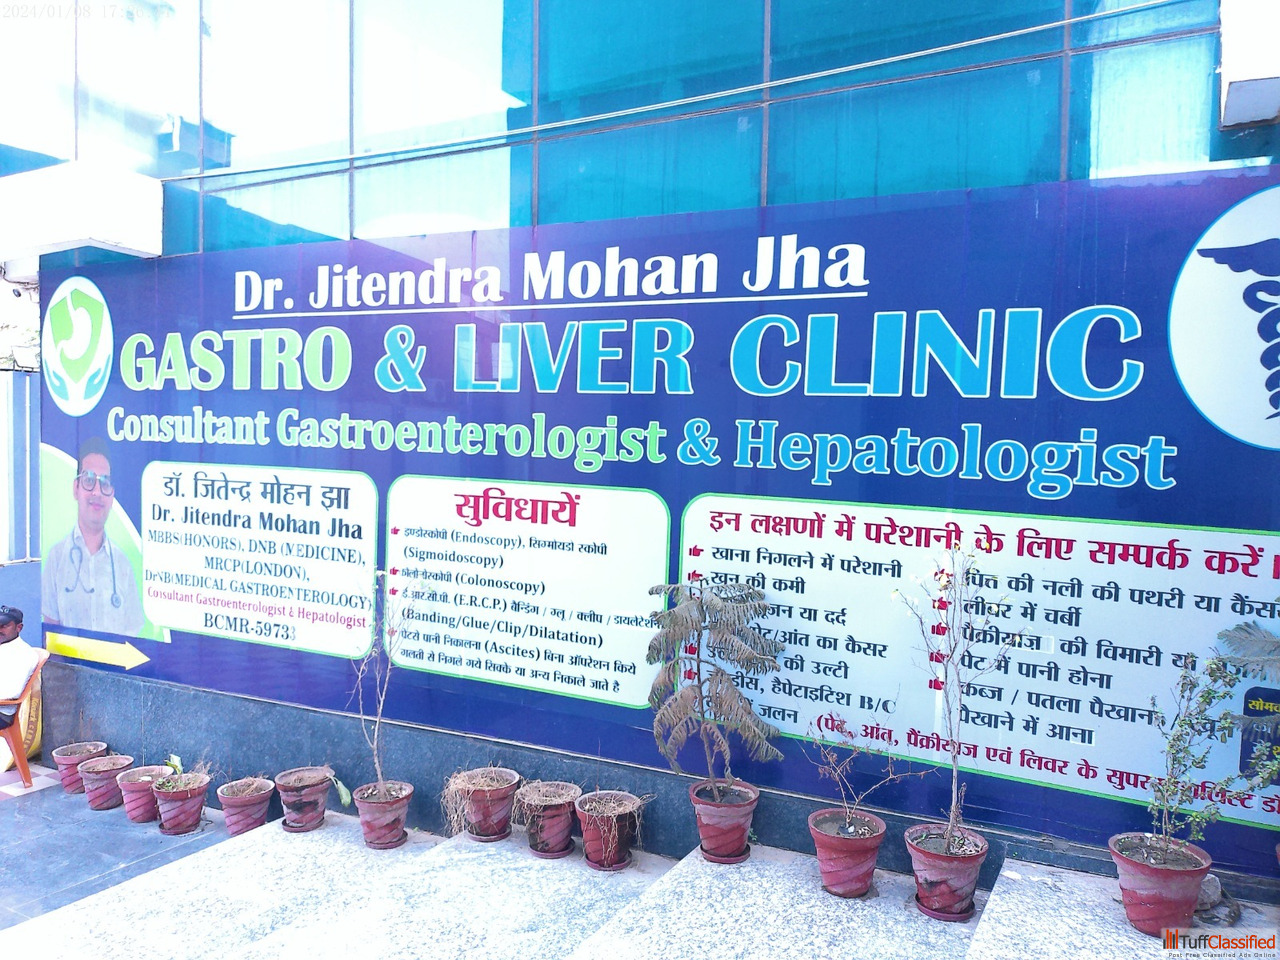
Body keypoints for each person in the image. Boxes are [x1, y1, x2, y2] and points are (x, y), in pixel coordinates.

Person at [42, 439, 145, 635]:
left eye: (104, 483)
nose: (97, 492)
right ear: (76, 488)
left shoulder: (123, 564)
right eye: (89, 480)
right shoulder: (56, 558)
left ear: (112, 495)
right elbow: (50, 632)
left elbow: (133, 633)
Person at [0, 606, 40, 731]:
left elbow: (10, 693)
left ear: (19, 628)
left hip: (2, 713)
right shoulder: (4, 647)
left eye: (4, 626)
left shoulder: (23, 654)